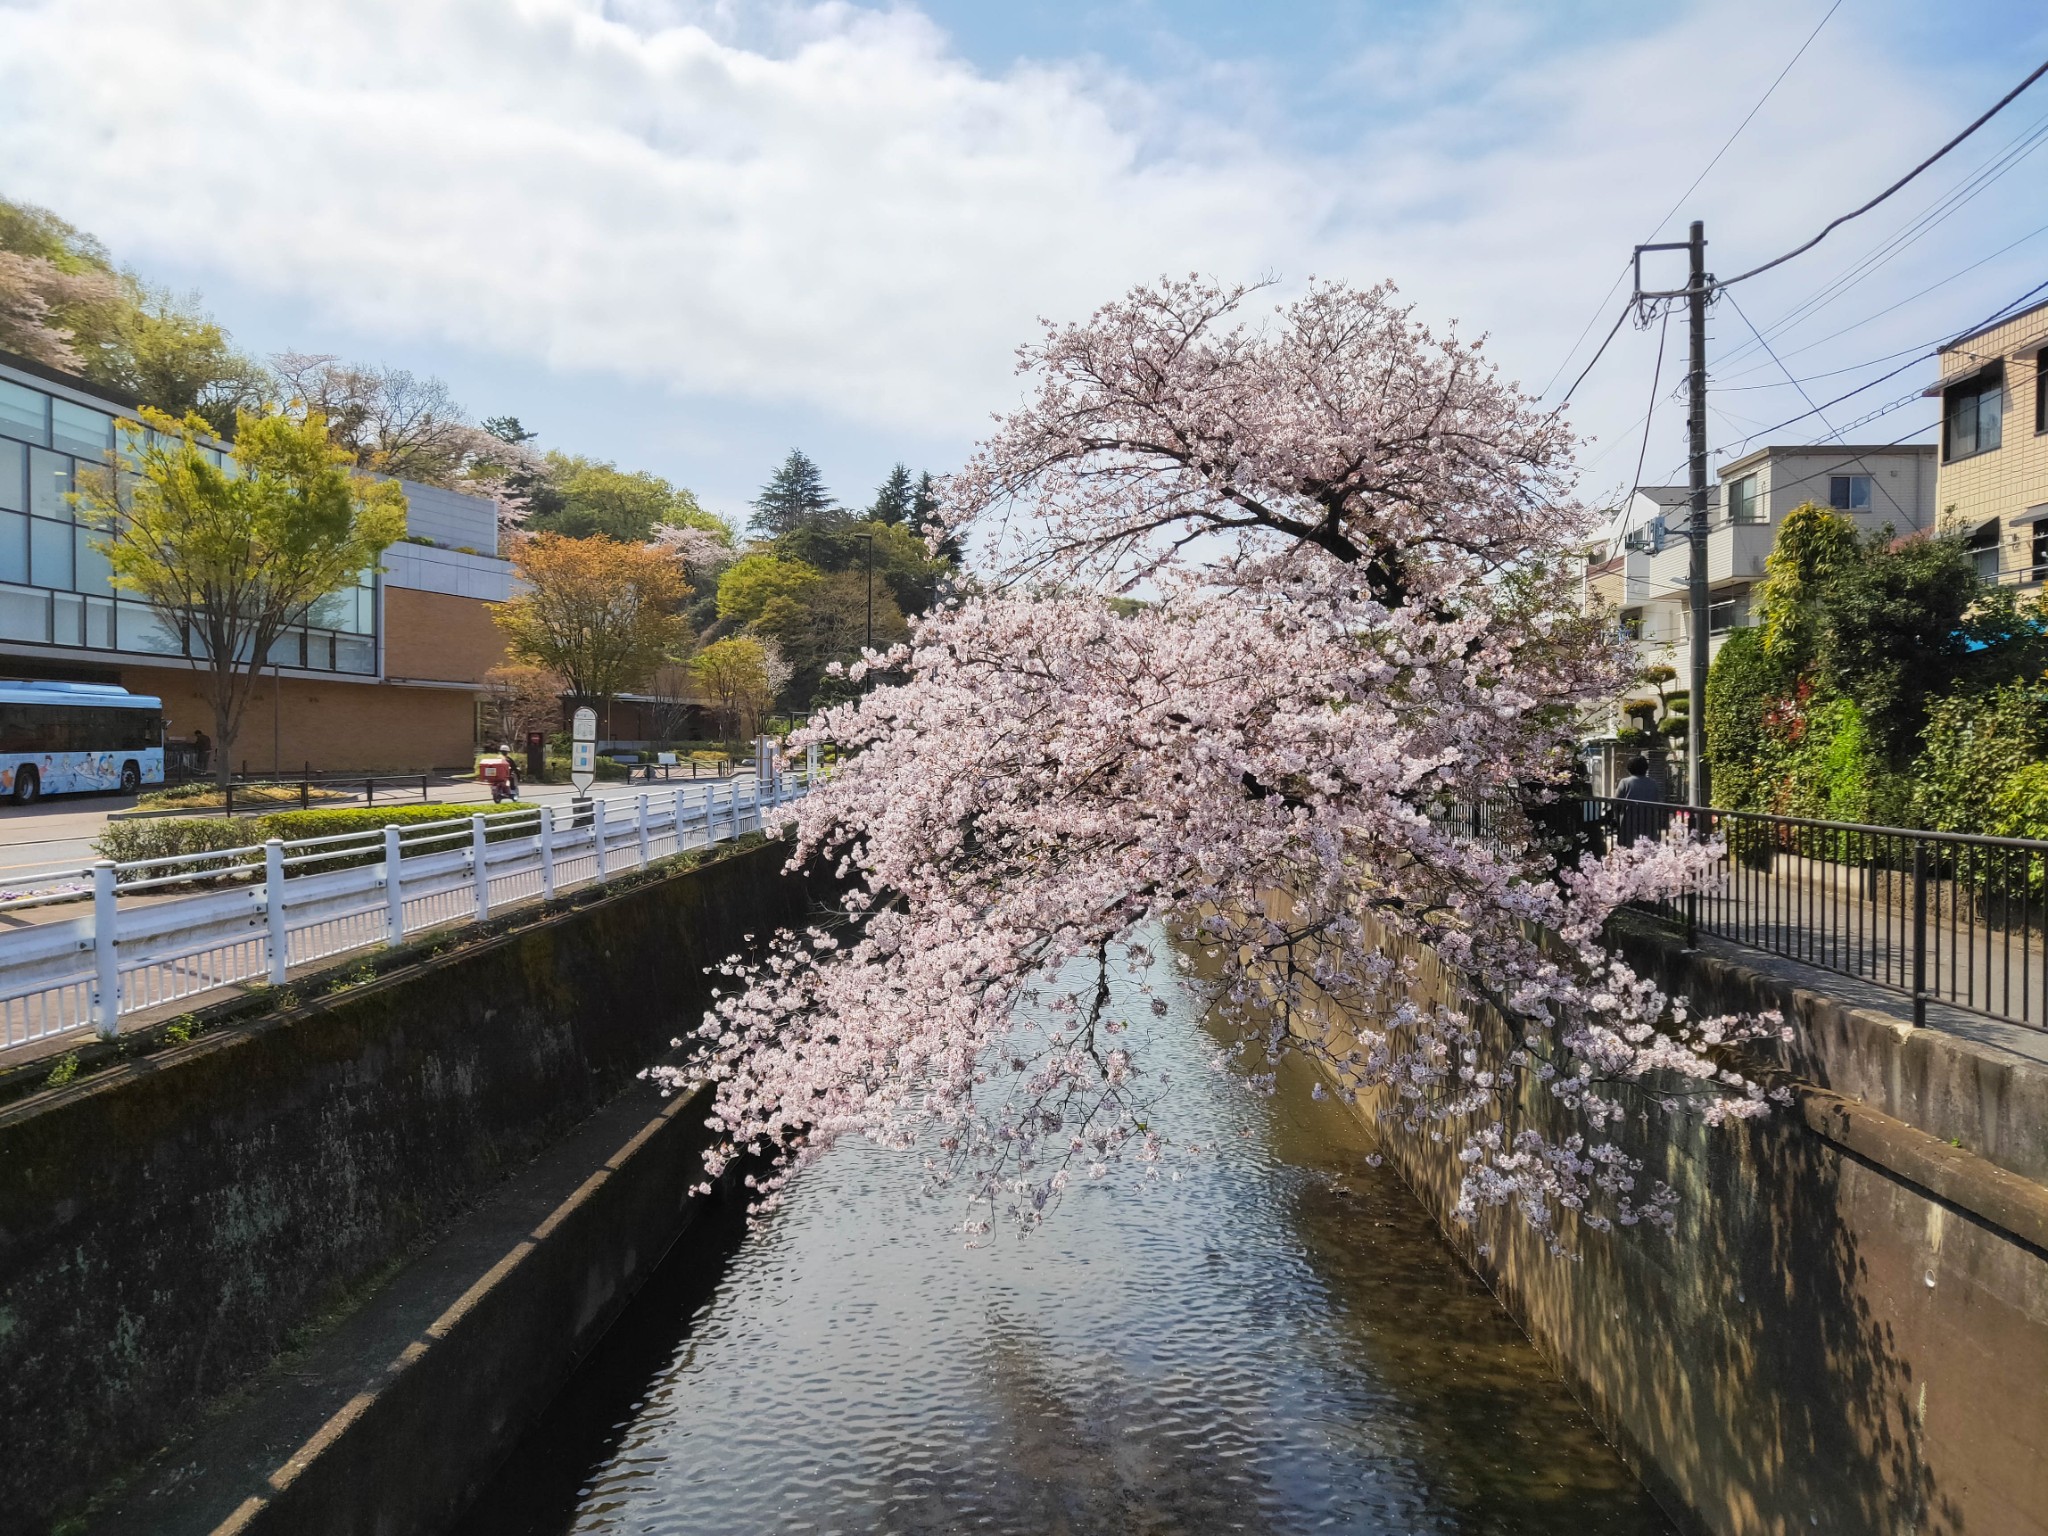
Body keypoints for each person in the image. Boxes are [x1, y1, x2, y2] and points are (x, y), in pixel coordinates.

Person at [1614, 754, 1670, 846]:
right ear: (1645, 768)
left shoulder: (1624, 782)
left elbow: (1616, 803)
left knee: (1628, 851)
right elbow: (1658, 804)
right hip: (1649, 822)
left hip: (1629, 822)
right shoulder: (1653, 783)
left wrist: (1616, 819)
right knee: (1647, 850)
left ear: (1629, 768)